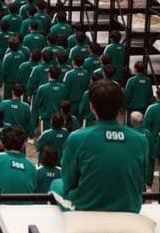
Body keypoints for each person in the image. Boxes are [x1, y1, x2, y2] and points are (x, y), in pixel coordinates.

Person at [50, 80, 148, 212]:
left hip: (85, 207)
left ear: (91, 107)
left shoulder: (77, 138)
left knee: (55, 184)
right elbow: (140, 180)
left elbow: (68, 182)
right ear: (120, 107)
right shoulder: (140, 140)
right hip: (130, 206)